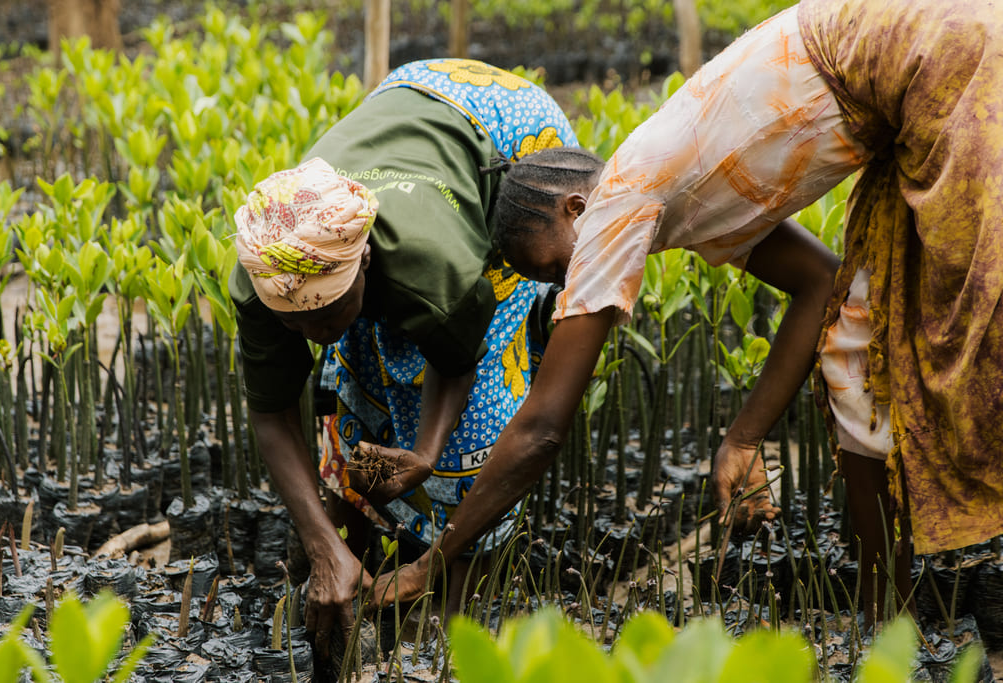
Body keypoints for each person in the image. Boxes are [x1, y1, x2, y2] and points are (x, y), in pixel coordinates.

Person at [367, 0, 1003, 627]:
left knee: (980, 332)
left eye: (555, 272)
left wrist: (432, 564)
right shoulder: (676, 190)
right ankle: (885, 625)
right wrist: (743, 439)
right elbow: (821, 284)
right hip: (924, 55)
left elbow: (541, 428)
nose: (568, 292)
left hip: (939, 52)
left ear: (573, 209)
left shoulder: (615, 205)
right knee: (857, 346)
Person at [230, 58, 579, 654]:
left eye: (325, 311)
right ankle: (352, 549)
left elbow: (458, 360)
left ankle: (449, 616)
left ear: (364, 260)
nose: (312, 333)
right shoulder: (264, 271)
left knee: (476, 424)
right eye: (295, 320)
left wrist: (427, 452)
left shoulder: (438, 270)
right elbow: (271, 412)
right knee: (357, 369)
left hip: (508, 132)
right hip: (405, 103)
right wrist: (322, 545)